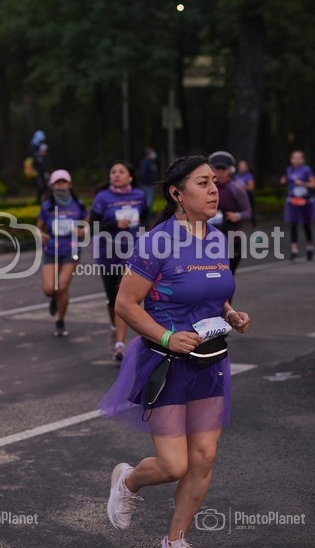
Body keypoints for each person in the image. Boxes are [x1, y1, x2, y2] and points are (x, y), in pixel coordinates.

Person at [100, 155, 250, 548]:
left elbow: (214, 292)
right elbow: (125, 304)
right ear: (177, 194)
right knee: (173, 464)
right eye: (203, 183)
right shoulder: (156, 243)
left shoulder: (218, 239)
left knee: (204, 457)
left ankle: (174, 541)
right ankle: (128, 481)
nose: (214, 190)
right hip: (166, 363)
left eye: (214, 182)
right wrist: (168, 338)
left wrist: (230, 314)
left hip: (209, 361)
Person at [90, 160, 148, 361]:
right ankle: (115, 327)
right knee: (112, 298)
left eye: (121, 171)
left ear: (130, 176)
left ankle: (120, 344)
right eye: (113, 171)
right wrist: (115, 224)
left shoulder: (139, 195)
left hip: (132, 253)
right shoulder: (102, 197)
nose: (116, 174)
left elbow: (146, 220)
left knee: (122, 294)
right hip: (107, 253)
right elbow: (93, 227)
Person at [37, 169, 89, 337]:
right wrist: (42, 234)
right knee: (49, 289)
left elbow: (87, 222)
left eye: (63, 182)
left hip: (71, 250)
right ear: (52, 186)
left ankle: (60, 320)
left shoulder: (78, 204)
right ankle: (54, 299)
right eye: (57, 183)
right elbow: (38, 228)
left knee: (62, 286)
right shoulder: (47, 206)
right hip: (51, 249)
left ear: (69, 184)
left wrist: (82, 230)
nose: (60, 186)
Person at [207, 151, 252, 275]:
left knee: (227, 277)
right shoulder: (205, 188)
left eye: (224, 169)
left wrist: (237, 216)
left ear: (230, 170)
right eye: (217, 168)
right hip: (208, 241)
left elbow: (248, 212)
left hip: (232, 240)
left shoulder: (236, 188)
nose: (220, 172)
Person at [280, 150, 315, 261]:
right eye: (295, 157)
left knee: (306, 225)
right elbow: (286, 180)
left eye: (299, 157)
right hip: (293, 201)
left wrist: (303, 183)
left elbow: (313, 183)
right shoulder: (289, 170)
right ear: (291, 159)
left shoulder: (306, 169)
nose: (297, 160)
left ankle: (309, 248)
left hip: (305, 201)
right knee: (293, 225)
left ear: (302, 159)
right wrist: (283, 180)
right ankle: (294, 250)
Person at [234, 160, 256, 227]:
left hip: (248, 195)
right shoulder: (236, 176)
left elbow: (251, 187)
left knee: (251, 210)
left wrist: (241, 186)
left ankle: (253, 224)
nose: (242, 168)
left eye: (244, 166)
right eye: (241, 166)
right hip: (239, 196)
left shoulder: (249, 176)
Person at [139, 147, 159, 215]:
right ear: (148, 154)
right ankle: (146, 217)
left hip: (150, 185)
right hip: (147, 185)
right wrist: (151, 183)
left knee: (150, 202)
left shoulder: (151, 163)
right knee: (148, 202)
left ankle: (148, 216)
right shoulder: (145, 163)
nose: (154, 154)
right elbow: (143, 174)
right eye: (152, 153)